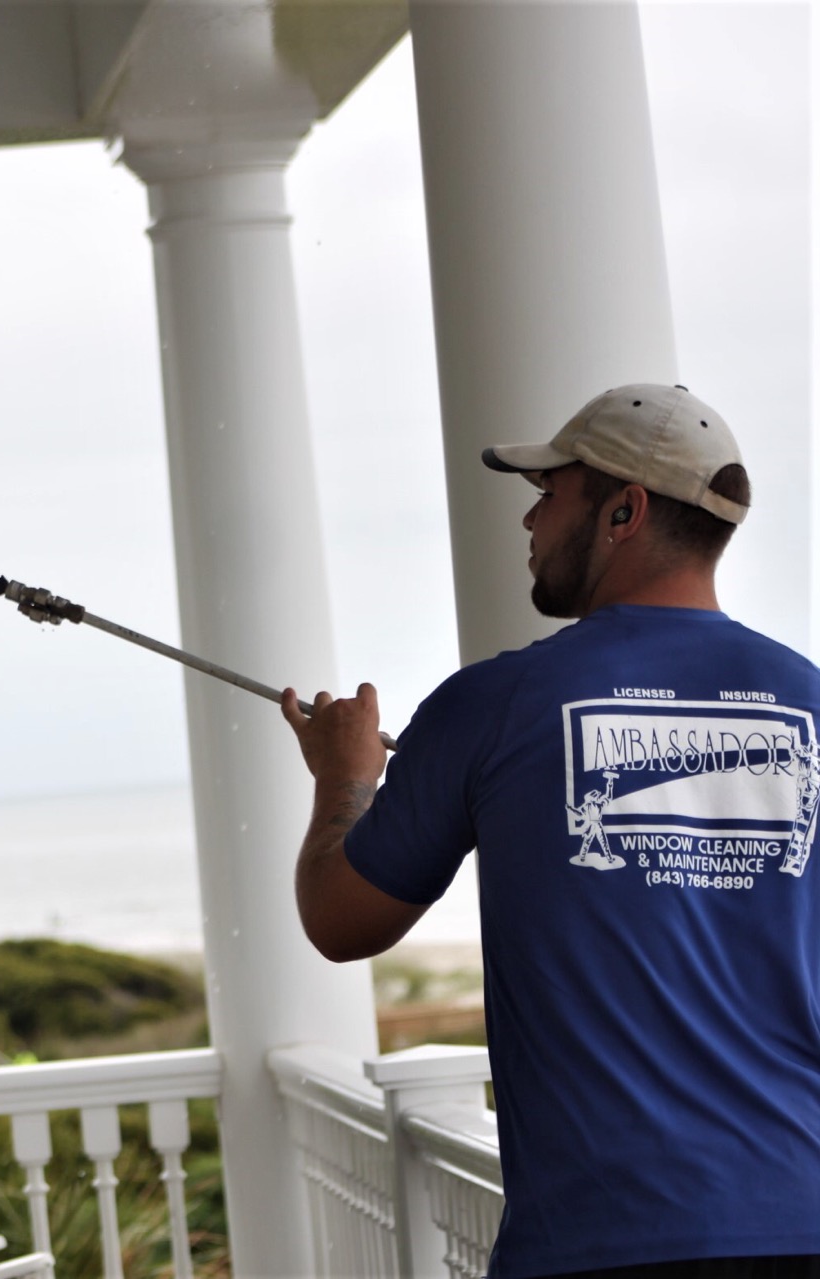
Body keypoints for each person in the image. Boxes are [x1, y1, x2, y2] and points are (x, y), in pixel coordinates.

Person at [282, 384, 820, 1279]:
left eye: (549, 492)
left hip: (604, 1242)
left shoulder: (495, 704)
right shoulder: (810, 700)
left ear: (624, 509)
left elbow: (341, 920)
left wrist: (344, 778)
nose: (530, 520)